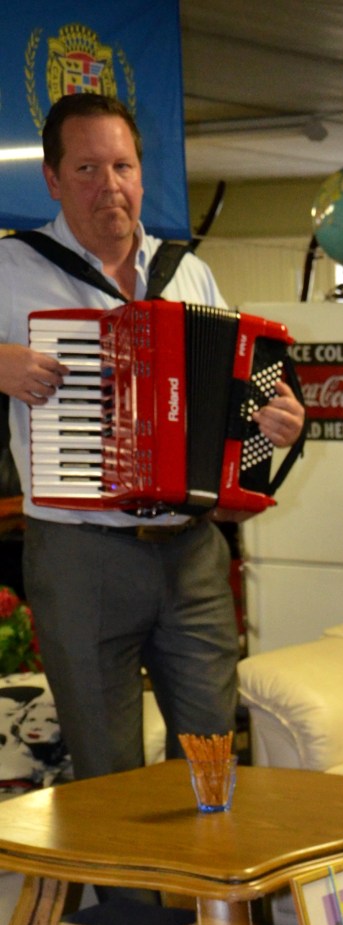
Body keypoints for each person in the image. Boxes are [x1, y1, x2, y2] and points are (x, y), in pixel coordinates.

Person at [0, 93, 305, 780]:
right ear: (51, 179)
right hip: (81, 555)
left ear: (141, 175)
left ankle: (207, 857)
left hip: (192, 551)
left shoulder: (187, 272)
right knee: (106, 772)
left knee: (212, 762)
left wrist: (278, 419)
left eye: (122, 167)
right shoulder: (12, 269)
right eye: (86, 168)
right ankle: (119, 862)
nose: (108, 186)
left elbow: (237, 398)